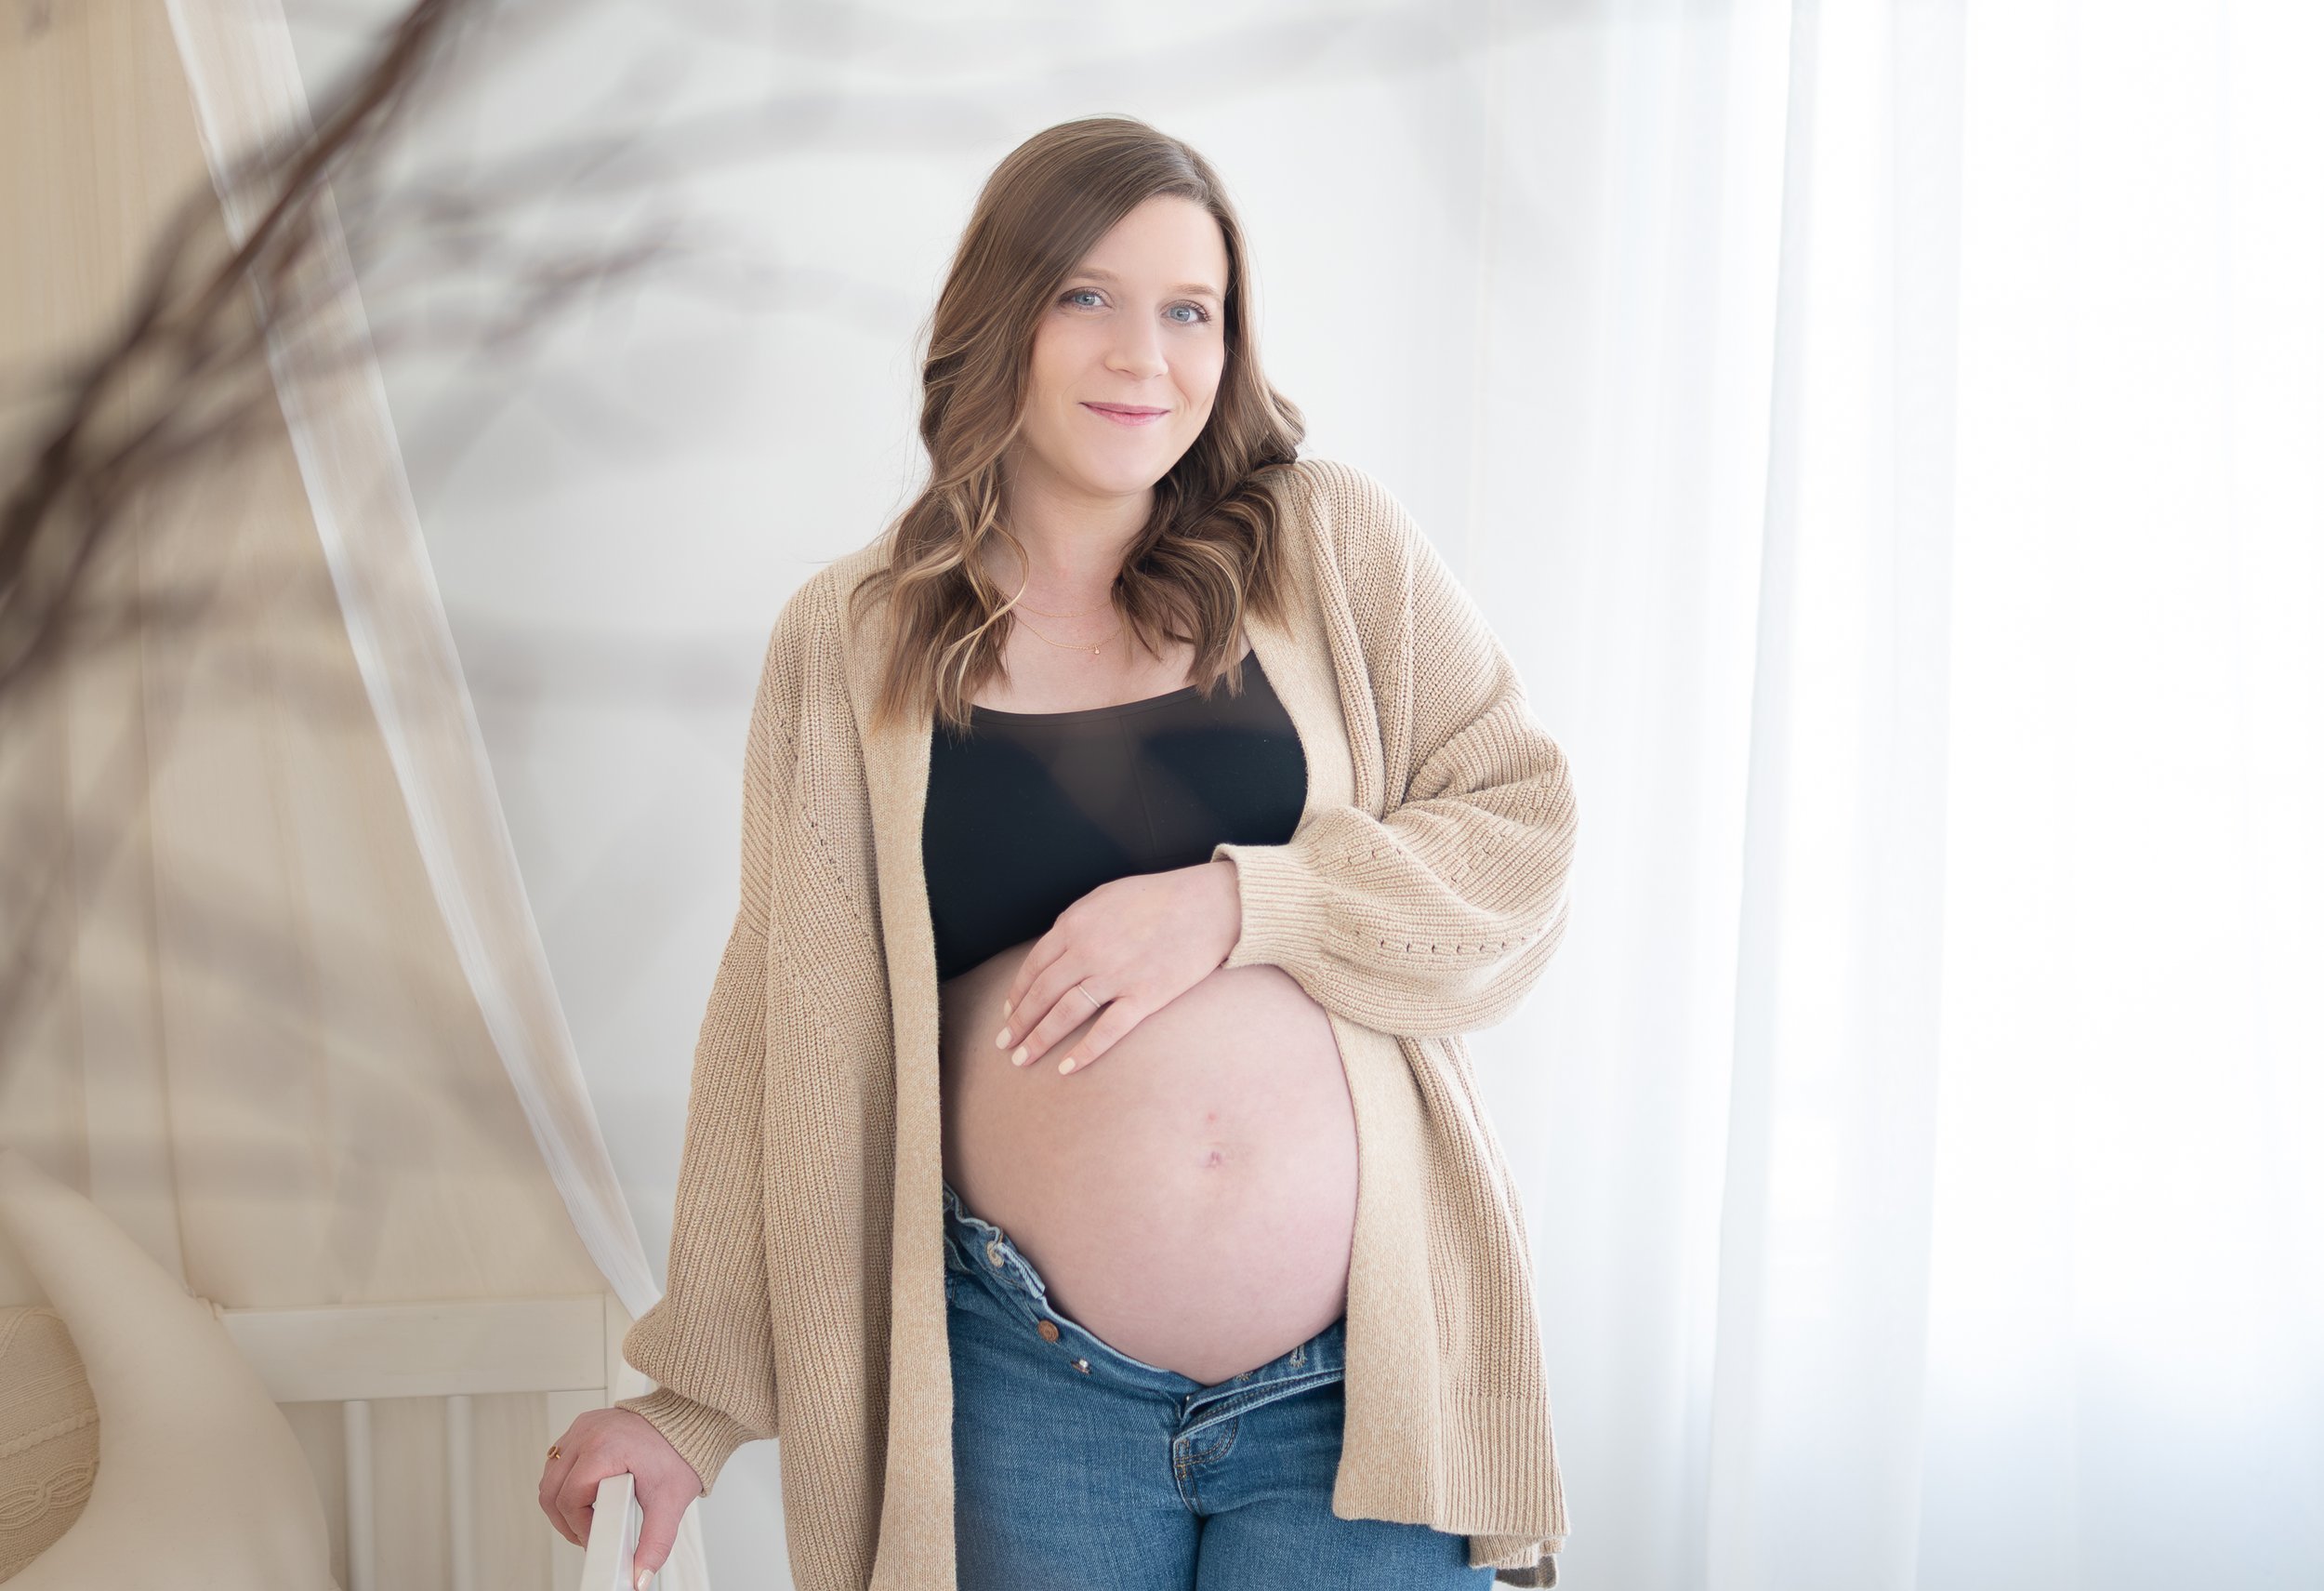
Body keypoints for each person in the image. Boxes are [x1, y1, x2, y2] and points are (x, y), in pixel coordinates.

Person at [539, 115, 1577, 1591]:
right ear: (1002, 318)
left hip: (1357, 1389)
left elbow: (1521, 829)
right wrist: (696, 1397)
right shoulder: (855, 642)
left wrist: (1240, 904)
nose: (1144, 355)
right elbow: (786, 1026)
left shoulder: (1331, 552)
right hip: (1025, 1390)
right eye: (1088, 296)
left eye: (1190, 312)